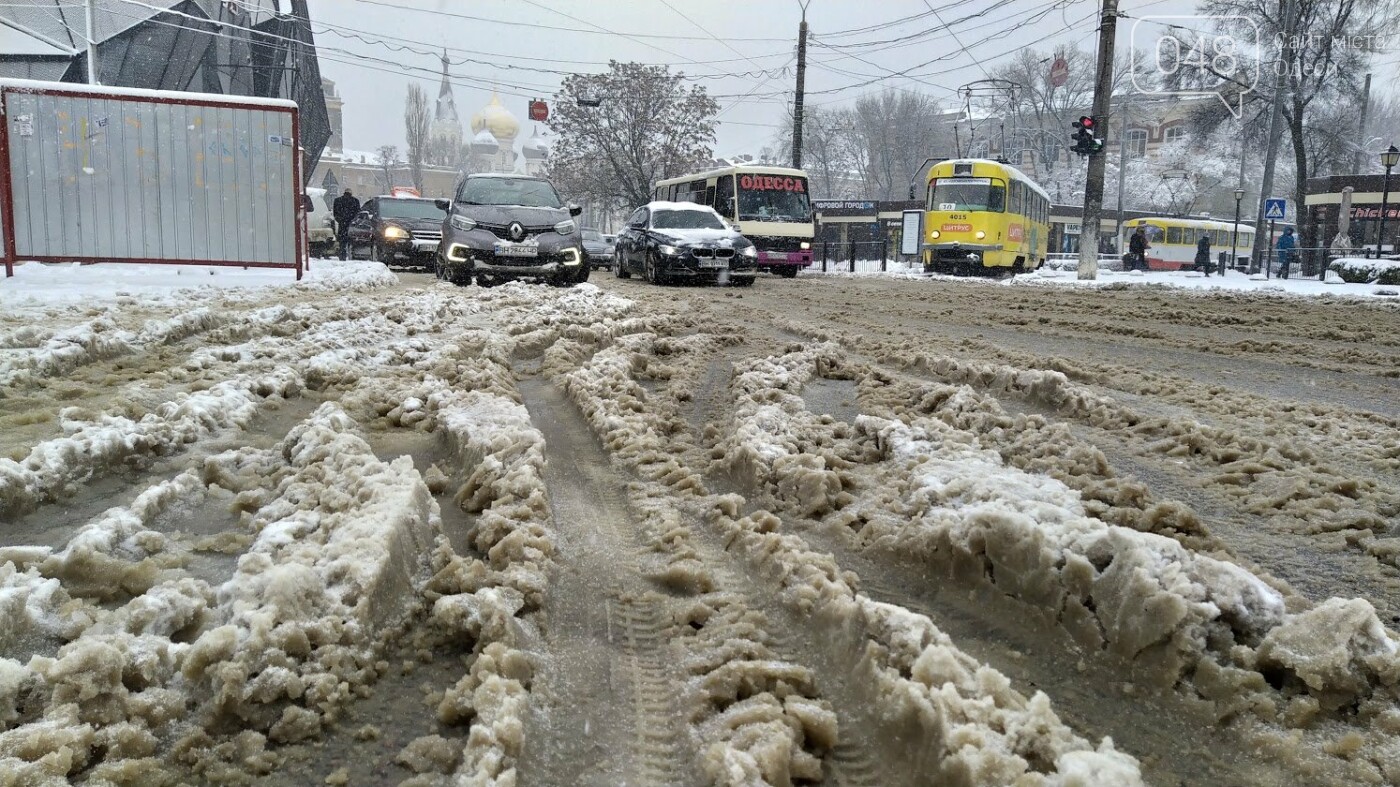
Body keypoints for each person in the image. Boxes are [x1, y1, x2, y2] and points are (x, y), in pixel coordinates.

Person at [332, 189, 361, 260]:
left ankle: (342, 255)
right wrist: (352, 220)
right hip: (352, 224)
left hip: (342, 224)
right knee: (351, 240)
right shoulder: (355, 201)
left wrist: (340, 220)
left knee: (342, 242)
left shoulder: (337, 200)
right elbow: (358, 213)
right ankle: (350, 255)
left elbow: (335, 213)